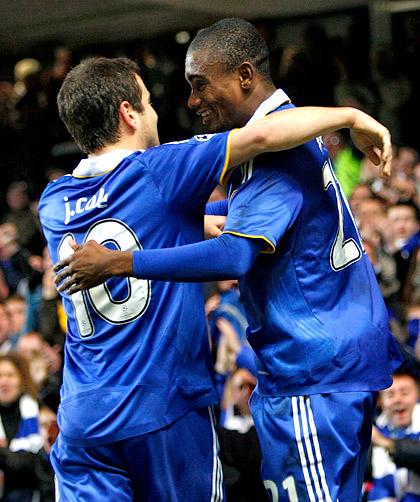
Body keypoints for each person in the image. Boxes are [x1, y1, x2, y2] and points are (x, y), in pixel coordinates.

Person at [55, 20, 402, 502]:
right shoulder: (287, 136)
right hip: (327, 359)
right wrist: (346, 116)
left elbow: (236, 253)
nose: (191, 101)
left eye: (200, 84)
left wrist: (122, 262)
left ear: (243, 76)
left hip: (310, 371)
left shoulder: (55, 199)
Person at [368, 369, 420, 501]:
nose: (398, 400)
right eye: (390, 395)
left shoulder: (377, 437)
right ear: (380, 401)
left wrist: (385, 443)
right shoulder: (372, 430)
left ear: (417, 394)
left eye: (405, 393)